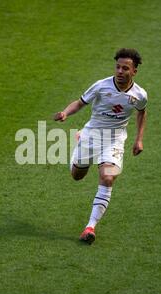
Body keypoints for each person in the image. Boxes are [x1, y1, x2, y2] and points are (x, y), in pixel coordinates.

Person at [54, 48, 148, 244]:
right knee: (77, 176)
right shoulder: (101, 86)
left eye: (125, 68)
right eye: (118, 67)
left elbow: (141, 112)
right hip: (91, 136)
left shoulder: (140, 94)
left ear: (134, 71)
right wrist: (65, 113)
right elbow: (80, 103)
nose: (120, 71)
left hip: (114, 140)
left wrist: (139, 139)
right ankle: (79, 139)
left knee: (107, 177)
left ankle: (90, 227)